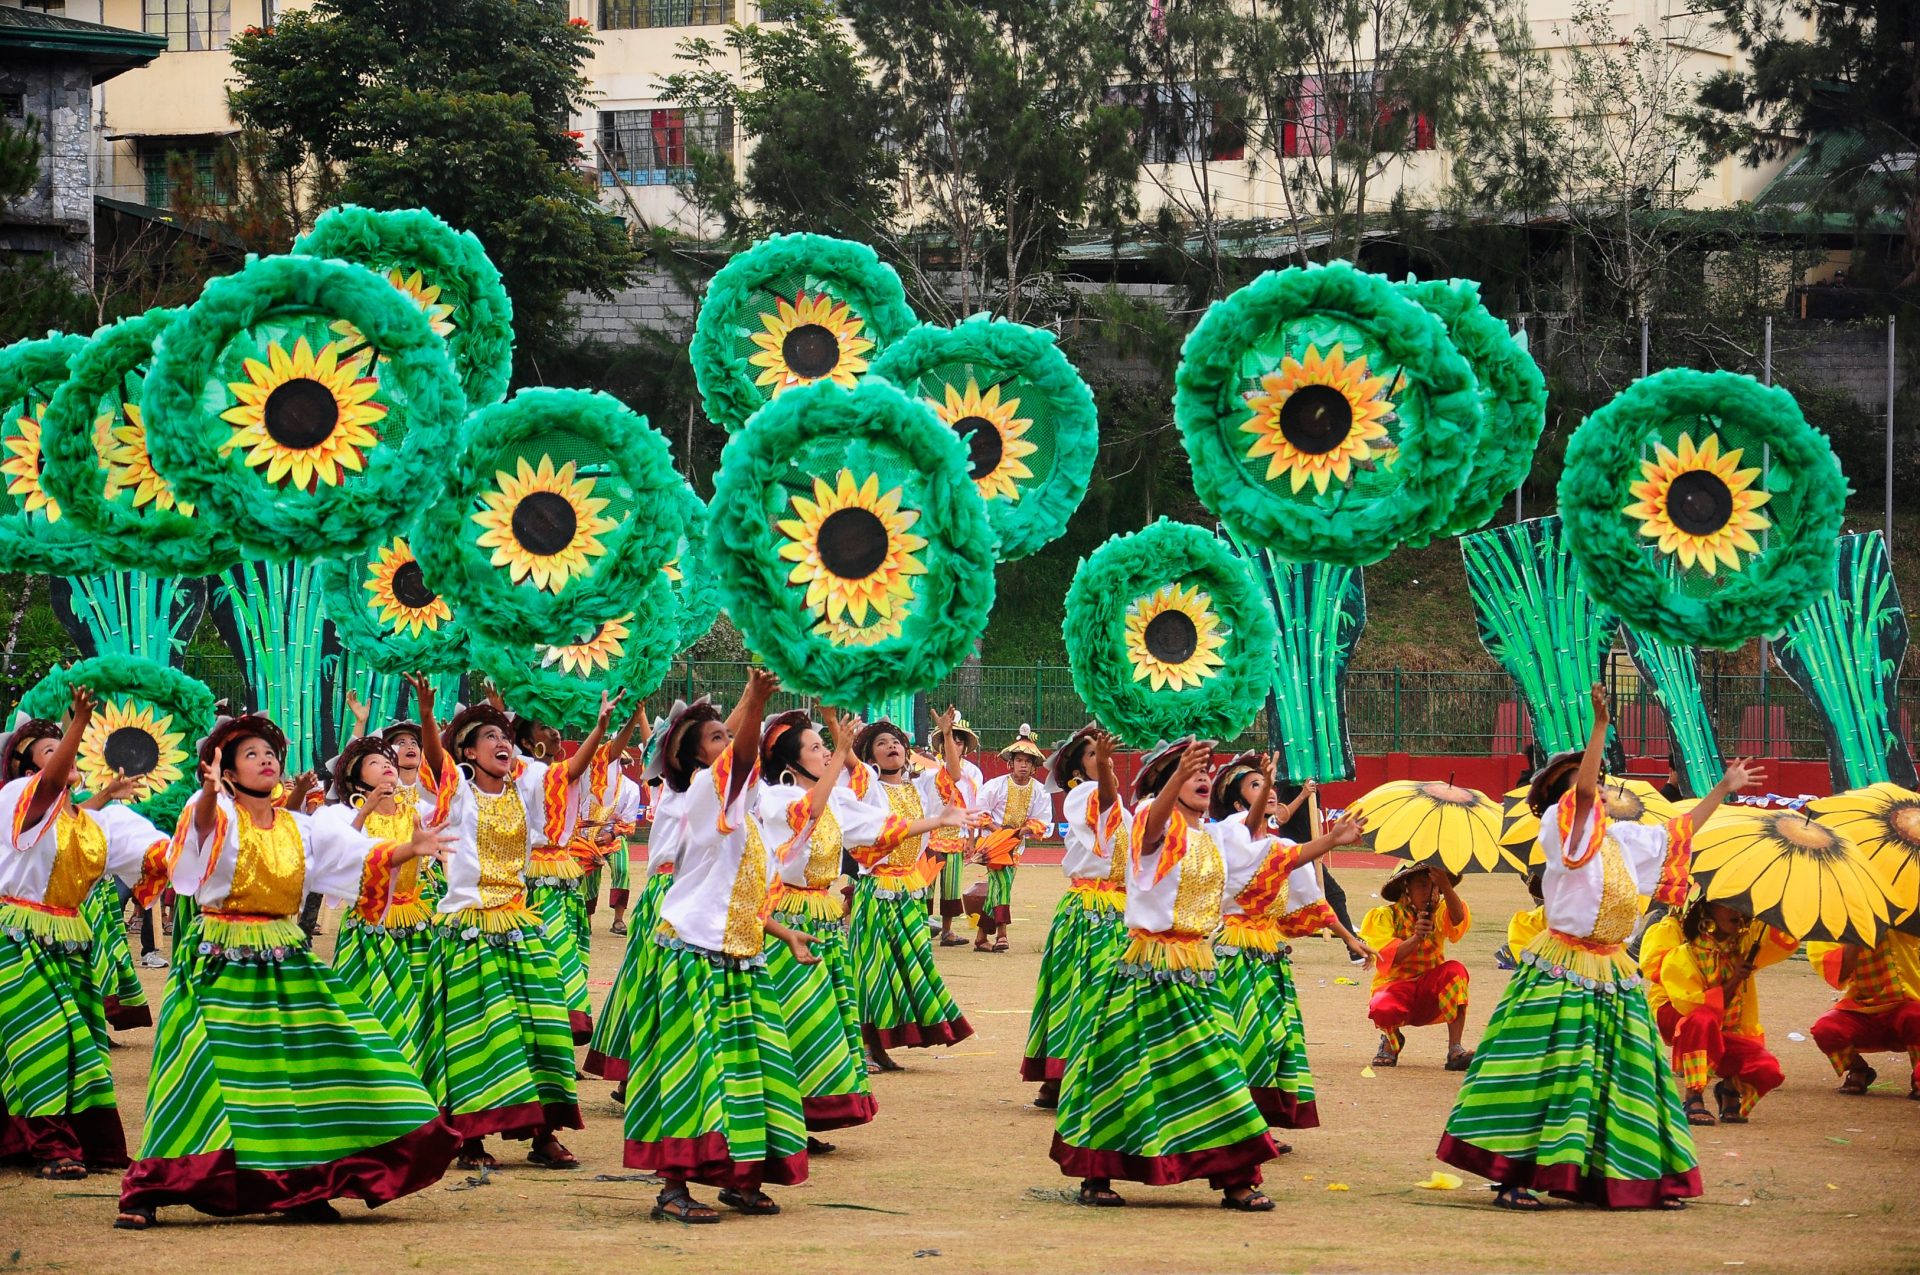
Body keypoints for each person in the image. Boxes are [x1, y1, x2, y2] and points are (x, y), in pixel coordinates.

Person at [115, 712, 458, 1229]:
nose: (266, 759)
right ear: (226, 771)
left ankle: (301, 1184)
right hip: (220, 959)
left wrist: (410, 848)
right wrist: (209, 793)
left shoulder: (301, 825)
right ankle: (151, 1187)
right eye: (250, 754)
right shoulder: (215, 809)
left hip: (284, 955)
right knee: (201, 1074)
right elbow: (197, 838)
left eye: (269, 752)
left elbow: (353, 856)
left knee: (309, 1066)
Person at [1437, 683, 1758, 1211]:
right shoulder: (1557, 829)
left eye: (1598, 783)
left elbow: (1678, 832)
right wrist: (1601, 729)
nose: (1595, 791)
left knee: (1627, 1072)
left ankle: (1628, 1180)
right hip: (1562, 964)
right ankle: (1512, 1175)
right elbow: (1582, 798)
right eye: (1583, 785)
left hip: (1613, 969)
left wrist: (1722, 788)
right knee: (1542, 1068)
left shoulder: (1620, 839)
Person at [622, 671, 819, 1223]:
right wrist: (754, 699)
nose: (729, 745)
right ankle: (673, 1188)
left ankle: (739, 1178)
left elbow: (742, 891)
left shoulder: (747, 811)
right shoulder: (708, 792)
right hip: (694, 957)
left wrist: (782, 932)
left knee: (749, 1070)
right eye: (716, 739)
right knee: (693, 1069)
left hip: (741, 957)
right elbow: (744, 750)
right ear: (695, 761)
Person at [1052, 739, 1282, 1211]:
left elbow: (1261, 839)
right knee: (1122, 1072)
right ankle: (1099, 1173)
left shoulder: (1214, 836)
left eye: (1203, 771)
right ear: (1163, 784)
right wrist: (1176, 776)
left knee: (1219, 1068)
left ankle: (1236, 1176)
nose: (1201, 777)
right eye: (1184, 771)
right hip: (1148, 969)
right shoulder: (1150, 826)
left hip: (1199, 969)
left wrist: (1270, 786)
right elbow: (1155, 828)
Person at [410, 678, 617, 1174]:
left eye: (504, 737)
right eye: (488, 738)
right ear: (467, 752)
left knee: (541, 1028)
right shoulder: (457, 792)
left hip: (520, 925)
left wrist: (600, 728)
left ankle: (543, 1134)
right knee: (478, 1034)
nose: (501, 742)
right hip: (470, 931)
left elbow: (568, 772)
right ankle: (469, 1137)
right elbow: (437, 760)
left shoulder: (523, 788)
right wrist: (425, 710)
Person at [0, 692, 167, 1180]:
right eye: (50, 751)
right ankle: (51, 1146)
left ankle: (92, 1145)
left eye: (66, 748)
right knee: (42, 1040)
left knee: (83, 1045)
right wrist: (80, 720)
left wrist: (219, 808)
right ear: (24, 765)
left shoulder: (96, 821)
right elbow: (50, 786)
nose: (64, 757)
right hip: (14, 938)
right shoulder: (15, 799)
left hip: (71, 942)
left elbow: (162, 852)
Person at [1208, 752, 1366, 1140]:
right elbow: (1282, 855)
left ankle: (1255, 1122)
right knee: (1247, 1035)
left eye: (1267, 783)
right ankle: (1236, 1121)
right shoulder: (1229, 832)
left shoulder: (1275, 845)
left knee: (1275, 1035)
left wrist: (1351, 939)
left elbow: (1310, 896)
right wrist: (1330, 838)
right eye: (1256, 785)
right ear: (1238, 802)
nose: (1268, 789)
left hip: (1270, 954)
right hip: (1237, 950)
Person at [847, 713, 976, 1072]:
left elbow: (953, 774)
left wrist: (947, 734)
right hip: (877, 889)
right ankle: (865, 1047)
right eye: (882, 743)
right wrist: (835, 724)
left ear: (907, 752)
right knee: (874, 970)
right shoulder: (870, 787)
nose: (892, 747)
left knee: (909, 967)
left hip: (910, 891)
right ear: (871, 757)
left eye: (897, 743)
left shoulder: (920, 789)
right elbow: (850, 764)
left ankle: (883, 1045)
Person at [1021, 725, 1127, 1107]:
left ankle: (1080, 1078)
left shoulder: (1117, 803)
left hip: (1116, 909)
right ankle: (1061, 1078)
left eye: (1104, 749)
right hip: (1089, 909)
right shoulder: (1082, 796)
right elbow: (1106, 808)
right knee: (1084, 991)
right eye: (1091, 752)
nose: (1103, 753)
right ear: (1077, 771)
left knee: (1102, 992)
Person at [326, 735, 438, 1071]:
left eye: (387, 759)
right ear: (357, 778)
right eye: (374, 762)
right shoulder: (346, 814)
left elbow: (452, 803)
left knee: (418, 1002)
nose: (386, 764)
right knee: (369, 1006)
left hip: (415, 921)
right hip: (370, 925)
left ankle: (415, 1072)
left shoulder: (417, 810)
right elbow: (344, 852)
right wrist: (368, 809)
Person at [1647, 898, 1796, 1125]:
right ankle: (1693, 1095)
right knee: (1702, 1019)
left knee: (1769, 1071)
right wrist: (1735, 978)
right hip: (1689, 1022)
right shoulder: (1684, 953)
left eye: (1740, 903)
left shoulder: (1746, 945)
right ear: (1706, 909)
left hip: (1727, 1030)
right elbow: (1694, 1008)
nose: (1738, 908)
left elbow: (1781, 941)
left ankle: (1729, 1087)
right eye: (1728, 902)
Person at [1360, 863, 1474, 1070]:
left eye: (1435, 887)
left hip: (1430, 990)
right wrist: (1416, 938)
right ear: (1406, 888)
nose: (1430, 893)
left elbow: (1458, 920)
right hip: (1395, 988)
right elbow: (1387, 957)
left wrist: (1446, 886)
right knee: (1381, 1005)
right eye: (1422, 886)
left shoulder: (1440, 910)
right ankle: (1391, 1040)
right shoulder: (1385, 915)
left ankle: (1455, 1050)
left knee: (1456, 970)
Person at [1806, 928, 1920, 1099]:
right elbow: (1840, 973)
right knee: (1826, 1029)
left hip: (1909, 1004)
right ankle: (1859, 1069)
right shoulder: (1832, 922)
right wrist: (1858, 933)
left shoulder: (1906, 909)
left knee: (1915, 1015)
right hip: (1862, 1009)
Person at [972, 724, 1048, 953]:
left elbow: (1041, 820)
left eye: (1028, 761)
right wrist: (1000, 832)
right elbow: (980, 812)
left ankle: (981, 937)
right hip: (991, 845)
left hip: (1015, 847)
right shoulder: (996, 786)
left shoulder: (1040, 791)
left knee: (997, 887)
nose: (1023, 765)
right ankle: (1002, 933)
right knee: (1003, 884)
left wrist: (1018, 834)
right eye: (1019, 760)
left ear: (1034, 766)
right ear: (1011, 763)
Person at [925, 712, 981, 947]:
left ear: (965, 747)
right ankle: (924, 926)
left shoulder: (974, 773)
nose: (955, 745)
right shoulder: (929, 768)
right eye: (951, 740)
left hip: (956, 836)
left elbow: (973, 806)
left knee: (951, 885)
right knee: (926, 884)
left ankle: (947, 930)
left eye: (959, 742)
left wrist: (971, 838)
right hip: (929, 833)